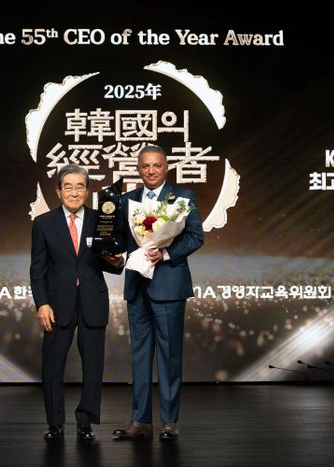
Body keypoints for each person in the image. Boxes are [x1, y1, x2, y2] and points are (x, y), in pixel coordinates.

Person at [113, 145, 204, 441]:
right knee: (139, 357)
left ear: (166, 167)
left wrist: (164, 254)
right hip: (137, 287)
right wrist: (111, 252)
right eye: (145, 166)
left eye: (157, 165)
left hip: (169, 287)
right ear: (138, 169)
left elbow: (195, 237)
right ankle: (140, 421)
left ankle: (169, 422)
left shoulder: (183, 197)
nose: (151, 171)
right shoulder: (125, 200)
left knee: (169, 357)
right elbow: (120, 241)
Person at [30, 164, 124, 441]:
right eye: (68, 186)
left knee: (93, 367)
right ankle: (54, 423)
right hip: (57, 304)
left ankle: (86, 422)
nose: (74, 192)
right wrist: (42, 303)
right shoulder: (43, 223)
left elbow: (110, 264)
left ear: (87, 190)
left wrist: (117, 261)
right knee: (52, 366)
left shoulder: (102, 219)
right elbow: (37, 269)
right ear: (58, 191)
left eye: (79, 186)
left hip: (93, 301)